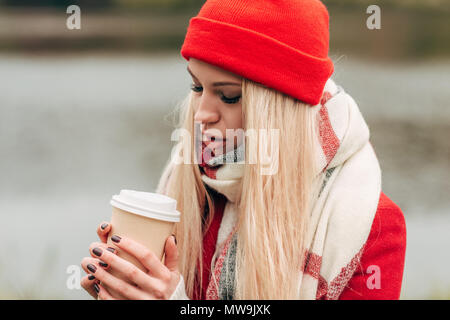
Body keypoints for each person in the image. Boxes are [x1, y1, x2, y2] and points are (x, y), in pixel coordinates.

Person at [81, 0, 406, 300]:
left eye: (229, 96)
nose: (202, 113)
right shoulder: (192, 184)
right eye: (197, 87)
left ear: (278, 107)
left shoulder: (371, 225)